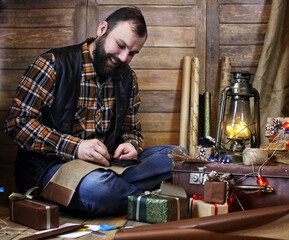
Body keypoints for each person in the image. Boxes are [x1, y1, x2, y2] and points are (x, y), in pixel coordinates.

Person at [5, 7, 179, 216]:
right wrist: (76, 148)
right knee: (98, 188)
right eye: (120, 45)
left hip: (107, 168)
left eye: (133, 53)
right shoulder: (52, 64)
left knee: (176, 156)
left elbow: (132, 130)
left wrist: (131, 144)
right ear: (102, 29)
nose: (124, 58)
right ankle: (148, 203)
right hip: (53, 169)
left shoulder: (128, 78)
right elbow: (17, 122)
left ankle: (117, 196)